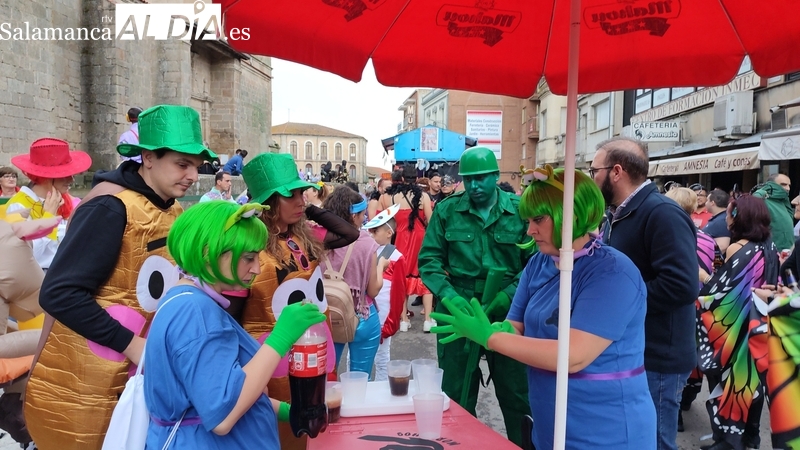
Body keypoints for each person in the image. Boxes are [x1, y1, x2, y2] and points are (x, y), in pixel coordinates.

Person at [24, 105, 217, 450]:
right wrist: (134, 345)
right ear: (148, 158)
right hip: (85, 386)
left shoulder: (169, 205)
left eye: (196, 166)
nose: (192, 175)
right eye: (182, 164)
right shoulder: (110, 207)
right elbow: (59, 293)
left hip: (132, 382)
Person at [432, 166, 656, 449]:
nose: (529, 230)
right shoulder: (539, 262)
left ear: (572, 214)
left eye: (539, 219)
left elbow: (573, 356)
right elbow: (516, 324)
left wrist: (490, 338)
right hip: (549, 423)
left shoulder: (613, 274)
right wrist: (498, 328)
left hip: (606, 429)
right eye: (528, 220)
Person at [143, 201, 326, 448]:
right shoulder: (194, 312)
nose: (257, 268)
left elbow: (212, 388)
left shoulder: (184, 299)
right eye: (248, 258)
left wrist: (284, 410)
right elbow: (222, 414)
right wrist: (281, 337)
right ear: (209, 252)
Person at [241, 152, 358, 450]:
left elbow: (349, 232)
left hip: (315, 356)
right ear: (267, 202)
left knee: (315, 438)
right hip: (274, 366)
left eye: (301, 192)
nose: (300, 199)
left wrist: (310, 210)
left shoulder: (302, 237)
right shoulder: (249, 248)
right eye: (290, 195)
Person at [418, 146, 531, 447]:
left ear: (496, 176)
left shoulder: (520, 211)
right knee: (456, 392)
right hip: (460, 312)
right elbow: (429, 260)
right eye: (470, 179)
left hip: (508, 313)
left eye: (482, 178)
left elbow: (536, 265)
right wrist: (450, 297)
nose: (476, 186)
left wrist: (509, 296)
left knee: (517, 393)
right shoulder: (447, 210)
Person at [591, 136, 698, 450]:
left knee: (654, 441)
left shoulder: (661, 213)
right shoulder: (620, 213)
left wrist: (620, 303)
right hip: (635, 351)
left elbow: (681, 285)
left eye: (594, 170)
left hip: (659, 357)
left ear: (616, 172)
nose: (591, 177)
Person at [695, 195, 778, 450]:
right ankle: (751, 437)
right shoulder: (769, 247)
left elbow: (720, 292)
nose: (728, 219)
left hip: (736, 325)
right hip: (761, 323)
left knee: (726, 381)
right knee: (752, 382)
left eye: (731, 213)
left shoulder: (737, 248)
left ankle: (728, 440)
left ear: (739, 217)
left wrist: (700, 273)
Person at [665, 187, 718, 431]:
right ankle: (686, 398)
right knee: (694, 354)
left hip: (678, 303)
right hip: (702, 302)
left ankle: (674, 412)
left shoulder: (669, 235)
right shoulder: (707, 238)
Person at [323, 186, 386, 374]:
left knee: (326, 379)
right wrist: (381, 267)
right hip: (362, 315)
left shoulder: (317, 240)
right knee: (361, 380)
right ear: (353, 216)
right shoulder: (367, 243)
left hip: (329, 314)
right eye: (362, 214)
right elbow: (373, 290)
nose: (364, 218)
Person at [7, 138, 91, 269]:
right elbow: (29, 255)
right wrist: (48, 219)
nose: (71, 179)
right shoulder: (18, 206)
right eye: (65, 174)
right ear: (45, 176)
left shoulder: (61, 200)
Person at [381, 170, 434, 331]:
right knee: (424, 276)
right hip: (420, 240)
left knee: (401, 277)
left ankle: (403, 320)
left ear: (402, 179)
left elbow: (389, 223)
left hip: (401, 240)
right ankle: (427, 320)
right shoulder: (424, 197)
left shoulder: (391, 198)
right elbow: (431, 221)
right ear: (416, 179)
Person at [362, 204, 406, 381]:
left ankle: (380, 392)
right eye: (370, 231)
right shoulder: (366, 251)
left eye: (375, 231)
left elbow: (399, 292)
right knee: (357, 356)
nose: (371, 234)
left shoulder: (396, 257)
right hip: (363, 312)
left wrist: (392, 321)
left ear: (389, 233)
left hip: (383, 316)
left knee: (381, 357)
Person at [753, 173, 795, 251]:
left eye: (789, 185)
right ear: (771, 184)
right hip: (771, 253)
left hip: (788, 253)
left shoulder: (784, 201)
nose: (788, 188)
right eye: (783, 184)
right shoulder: (762, 200)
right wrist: (761, 192)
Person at [703, 189, 732, 254]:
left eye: (707, 200)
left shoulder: (722, 221)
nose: (705, 203)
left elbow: (722, 246)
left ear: (712, 203)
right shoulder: (719, 218)